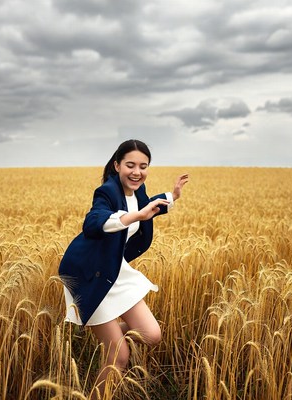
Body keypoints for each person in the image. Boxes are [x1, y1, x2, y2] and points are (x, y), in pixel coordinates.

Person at [58, 139, 188, 398]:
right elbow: (94, 222)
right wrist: (136, 217)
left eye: (143, 166)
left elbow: (146, 205)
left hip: (115, 271)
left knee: (151, 335)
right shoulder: (106, 192)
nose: (137, 171)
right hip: (90, 275)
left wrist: (171, 197)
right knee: (119, 356)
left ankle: (109, 333)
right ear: (117, 165)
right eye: (130, 165)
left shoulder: (137, 192)